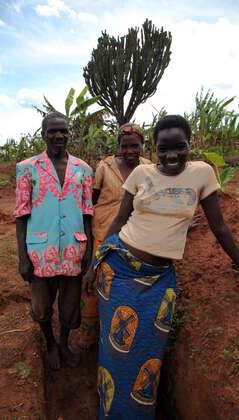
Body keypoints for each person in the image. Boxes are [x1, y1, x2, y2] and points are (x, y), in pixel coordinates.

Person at [85, 115, 239, 419]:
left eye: (180, 147)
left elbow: (219, 227)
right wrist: (94, 263)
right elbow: (119, 221)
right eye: (164, 149)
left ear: (191, 144)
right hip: (119, 271)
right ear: (155, 147)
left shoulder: (202, 174)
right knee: (115, 352)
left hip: (160, 279)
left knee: (148, 359)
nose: (172, 155)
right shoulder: (140, 173)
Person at [15, 112, 93, 370]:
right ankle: (49, 343)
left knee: (70, 305)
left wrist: (88, 250)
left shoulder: (83, 169)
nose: (59, 136)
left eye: (64, 131)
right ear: (43, 133)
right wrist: (22, 257)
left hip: (73, 247)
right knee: (42, 305)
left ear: (69, 134)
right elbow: (22, 214)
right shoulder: (27, 168)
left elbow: (87, 213)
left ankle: (63, 343)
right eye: (53, 131)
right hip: (40, 249)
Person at [81, 123, 151, 346]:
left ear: (142, 146)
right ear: (119, 146)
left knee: (122, 286)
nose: (130, 151)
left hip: (134, 237)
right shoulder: (105, 166)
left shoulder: (149, 168)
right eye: (125, 146)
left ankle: (121, 332)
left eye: (135, 146)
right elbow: (93, 199)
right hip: (104, 231)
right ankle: (90, 333)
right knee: (94, 280)